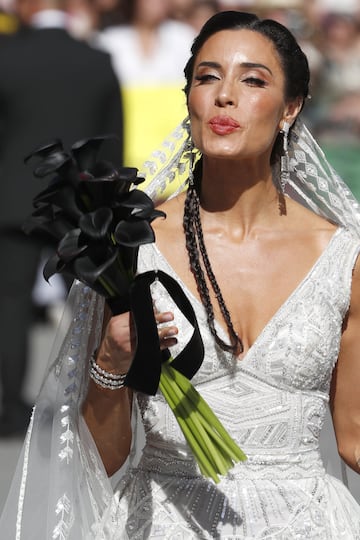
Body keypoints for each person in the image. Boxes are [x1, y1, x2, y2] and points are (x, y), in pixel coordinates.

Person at [1, 9, 360, 539]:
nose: (224, 95)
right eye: (207, 77)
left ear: (290, 108)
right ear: (188, 98)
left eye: (252, 80)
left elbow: (352, 439)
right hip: (162, 523)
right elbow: (99, 459)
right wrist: (110, 362)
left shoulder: (343, 257)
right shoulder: (130, 246)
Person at [0, 0, 124, 437]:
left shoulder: (6, 55)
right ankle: (92, 402)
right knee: (90, 303)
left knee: (9, 305)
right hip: (78, 202)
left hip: (10, 202)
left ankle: (9, 411)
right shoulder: (96, 60)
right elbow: (111, 143)